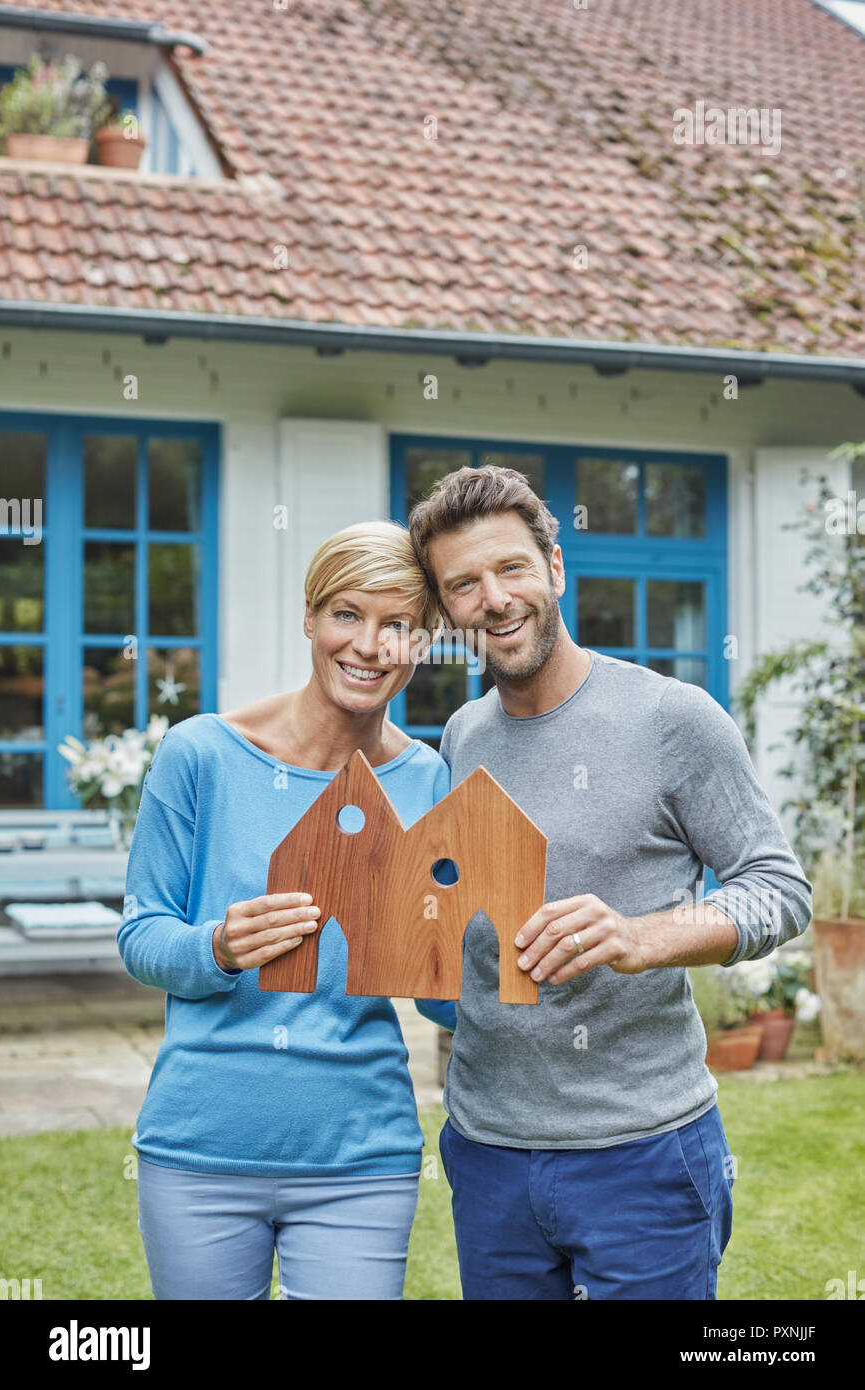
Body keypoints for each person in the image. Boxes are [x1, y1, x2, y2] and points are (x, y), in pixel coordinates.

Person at [408, 465, 813, 1301]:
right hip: (487, 1150)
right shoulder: (462, 735)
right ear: (448, 610)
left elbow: (779, 886)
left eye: (511, 568)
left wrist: (640, 936)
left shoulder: (674, 718)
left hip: (644, 1150)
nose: (495, 598)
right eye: (465, 584)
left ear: (555, 568)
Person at [118, 521, 456, 1301]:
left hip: (360, 1158)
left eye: (398, 625)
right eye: (347, 614)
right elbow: (142, 932)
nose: (370, 646)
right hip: (200, 1148)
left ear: (424, 643)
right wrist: (218, 948)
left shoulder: (425, 781)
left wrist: (498, 963)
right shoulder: (200, 753)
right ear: (309, 617)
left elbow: (439, 990)